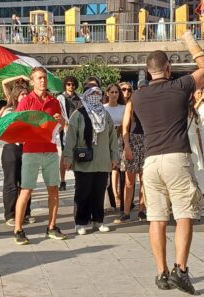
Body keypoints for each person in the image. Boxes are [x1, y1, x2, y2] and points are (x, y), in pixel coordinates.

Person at [133, 31, 204, 294]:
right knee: (184, 213)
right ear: (168, 68)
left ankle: (161, 273)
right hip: (176, 157)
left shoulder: (138, 97)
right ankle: (181, 270)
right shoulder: (179, 86)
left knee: (156, 218)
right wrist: (189, 41)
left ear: (148, 71)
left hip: (151, 161)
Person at [13, 67, 66, 245]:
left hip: (50, 150)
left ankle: (52, 227)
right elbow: (15, 123)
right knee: (26, 190)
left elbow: (61, 126)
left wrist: (61, 122)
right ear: (32, 81)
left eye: (44, 78)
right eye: (39, 78)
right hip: (31, 151)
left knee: (53, 189)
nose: (43, 81)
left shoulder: (54, 101)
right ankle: (18, 229)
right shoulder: (26, 101)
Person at [63, 85, 118, 235]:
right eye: (92, 94)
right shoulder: (79, 114)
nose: (95, 97)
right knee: (83, 193)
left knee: (99, 192)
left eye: (97, 94)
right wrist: (67, 157)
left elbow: (113, 138)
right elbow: (71, 138)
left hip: (102, 160)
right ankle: (80, 222)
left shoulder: (105, 115)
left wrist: (115, 157)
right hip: (84, 162)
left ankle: (98, 221)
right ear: (86, 96)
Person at [0, 85, 36, 226]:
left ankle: (26, 212)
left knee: (26, 182)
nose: (25, 97)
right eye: (22, 94)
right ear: (15, 96)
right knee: (11, 182)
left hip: (27, 149)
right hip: (12, 148)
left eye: (27, 94)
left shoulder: (32, 112)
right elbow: (6, 131)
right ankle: (10, 214)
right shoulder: (9, 111)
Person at [114, 82, 147, 223]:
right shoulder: (131, 104)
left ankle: (142, 210)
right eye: (141, 89)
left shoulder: (151, 105)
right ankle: (126, 212)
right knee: (129, 181)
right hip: (132, 141)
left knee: (145, 180)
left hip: (147, 141)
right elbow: (125, 127)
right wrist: (127, 146)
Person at [57, 76, 82, 191]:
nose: (70, 86)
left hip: (77, 128)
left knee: (78, 153)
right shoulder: (61, 98)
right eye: (68, 84)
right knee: (64, 153)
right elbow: (59, 113)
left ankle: (78, 179)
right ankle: (62, 180)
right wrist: (64, 125)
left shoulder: (79, 98)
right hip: (65, 128)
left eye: (72, 84)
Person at [104, 83, 126, 211]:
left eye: (116, 92)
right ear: (107, 94)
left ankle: (123, 201)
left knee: (121, 170)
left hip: (121, 141)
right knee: (109, 171)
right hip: (106, 141)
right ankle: (111, 201)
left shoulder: (123, 107)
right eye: (111, 92)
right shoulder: (103, 108)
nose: (114, 94)